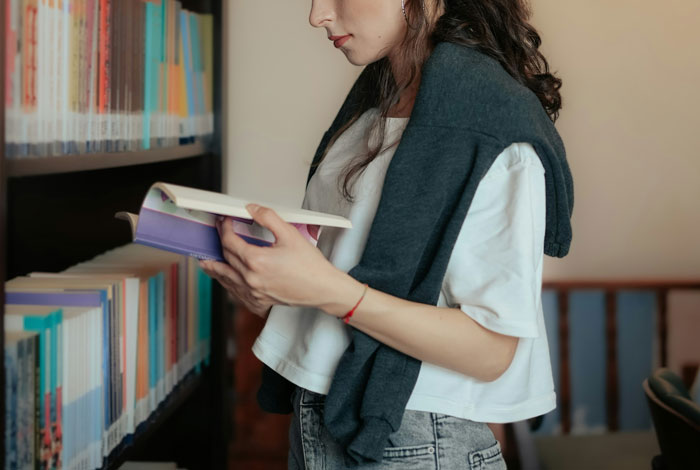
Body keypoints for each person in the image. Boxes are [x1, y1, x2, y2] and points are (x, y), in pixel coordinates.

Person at [199, 0, 574, 468]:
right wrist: (276, 289)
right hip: (320, 414)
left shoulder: (490, 124)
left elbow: (492, 350)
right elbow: (341, 278)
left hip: (414, 433)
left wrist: (329, 291)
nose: (318, 16)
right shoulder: (372, 111)